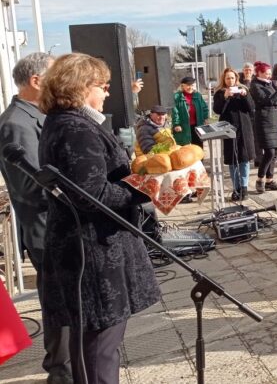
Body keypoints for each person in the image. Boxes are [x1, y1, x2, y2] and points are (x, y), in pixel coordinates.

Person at [38, 53, 161, 383]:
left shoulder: (68, 122)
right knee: (100, 347)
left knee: (99, 344)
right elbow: (91, 195)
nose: (107, 92)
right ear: (79, 87)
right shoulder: (75, 128)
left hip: (90, 248)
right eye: (102, 86)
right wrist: (145, 189)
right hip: (93, 253)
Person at [0, 52, 73, 384]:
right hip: (46, 231)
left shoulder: (36, 114)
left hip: (58, 227)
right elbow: (31, 186)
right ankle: (61, 373)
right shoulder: (16, 123)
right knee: (59, 307)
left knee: (69, 304)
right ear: (36, 81)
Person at [213, 67, 257, 201]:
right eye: (227, 78)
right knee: (232, 160)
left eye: (232, 78)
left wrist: (245, 95)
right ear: (224, 80)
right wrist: (225, 97)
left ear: (236, 78)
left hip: (244, 128)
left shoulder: (243, 90)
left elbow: (251, 108)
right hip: (228, 129)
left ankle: (244, 187)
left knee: (244, 158)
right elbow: (217, 110)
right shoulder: (220, 93)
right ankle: (236, 188)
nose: (230, 80)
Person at [250, 61, 277, 193]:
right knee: (269, 152)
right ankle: (260, 179)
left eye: (270, 73)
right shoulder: (255, 85)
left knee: (275, 152)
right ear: (259, 73)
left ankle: (270, 180)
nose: (269, 76)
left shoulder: (270, 84)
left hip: (275, 119)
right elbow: (267, 101)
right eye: (267, 73)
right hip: (264, 120)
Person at [172, 76, 209, 147]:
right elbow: (175, 111)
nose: (190, 87)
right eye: (188, 85)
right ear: (182, 86)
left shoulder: (198, 95)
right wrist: (176, 124)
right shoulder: (177, 96)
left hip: (198, 124)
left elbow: (204, 108)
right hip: (184, 126)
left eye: (192, 85)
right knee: (185, 147)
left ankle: (200, 158)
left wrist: (205, 118)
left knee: (198, 146)